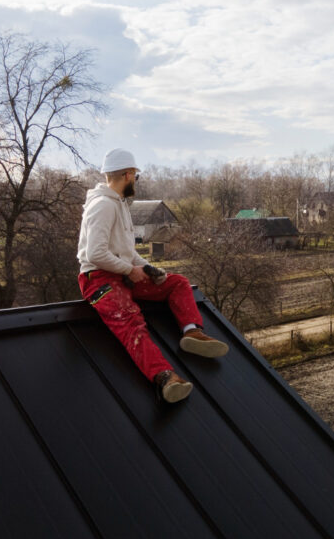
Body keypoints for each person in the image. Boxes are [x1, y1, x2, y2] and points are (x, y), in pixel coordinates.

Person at [77, 148, 228, 403]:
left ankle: (191, 332)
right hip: (98, 283)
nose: (136, 181)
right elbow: (95, 254)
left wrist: (149, 269)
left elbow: (126, 253)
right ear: (127, 174)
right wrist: (129, 270)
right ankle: (165, 378)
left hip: (122, 275)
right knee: (132, 324)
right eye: (135, 176)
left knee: (177, 283)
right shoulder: (103, 206)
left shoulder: (119, 205)